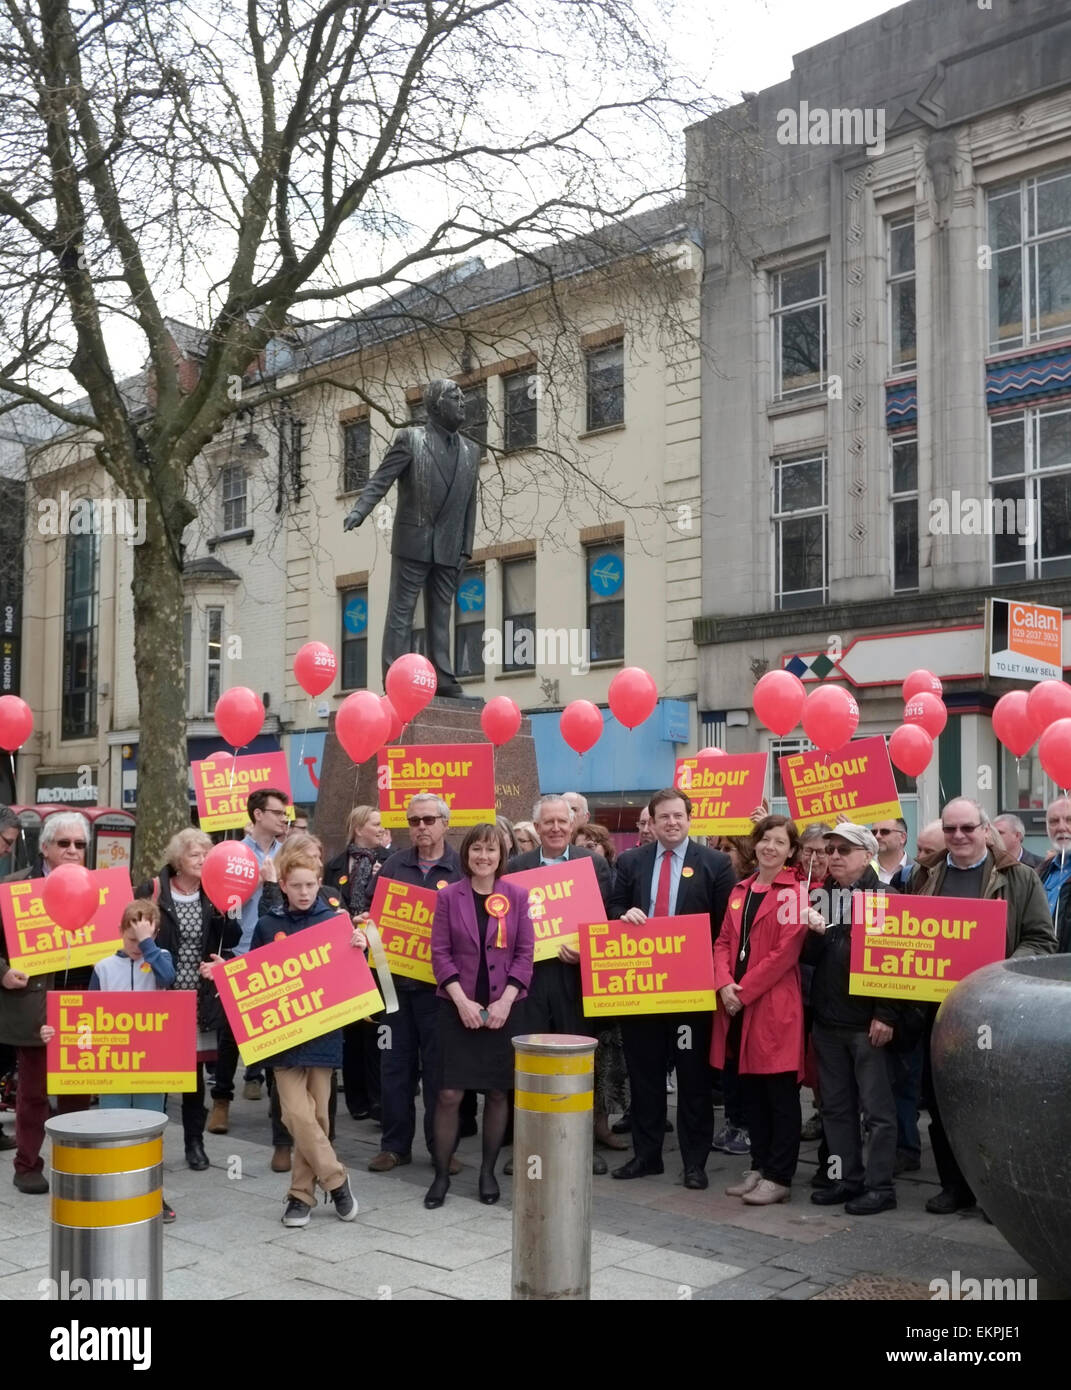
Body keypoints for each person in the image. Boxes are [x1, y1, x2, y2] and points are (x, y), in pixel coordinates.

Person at [903, 797, 1056, 1214]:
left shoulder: (1019, 878)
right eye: (950, 829)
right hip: (938, 1012)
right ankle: (954, 1186)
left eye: (967, 828)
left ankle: (995, 1195)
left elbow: (1041, 940)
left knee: (991, 1106)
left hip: (992, 1010)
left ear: (986, 830)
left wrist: (998, 972)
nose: (958, 837)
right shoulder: (923, 874)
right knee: (941, 1104)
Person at [226, 840, 365, 1227]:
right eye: (296, 885)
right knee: (295, 1114)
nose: (304, 892)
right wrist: (227, 970)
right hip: (282, 1035)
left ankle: (300, 1196)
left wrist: (362, 946)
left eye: (310, 885)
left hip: (323, 1034)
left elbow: (355, 975)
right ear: (282, 884)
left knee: (319, 1116)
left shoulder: (335, 921)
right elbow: (253, 974)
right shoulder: (269, 925)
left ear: (320, 883)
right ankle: (337, 1180)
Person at [609, 789, 735, 1188]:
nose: (671, 823)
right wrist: (621, 915)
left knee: (692, 1078)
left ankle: (694, 1163)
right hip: (642, 989)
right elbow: (610, 908)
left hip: (690, 993)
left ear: (689, 818)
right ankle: (646, 1157)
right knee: (644, 1077)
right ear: (651, 821)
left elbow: (724, 929)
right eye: (663, 817)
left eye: (678, 815)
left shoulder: (715, 864)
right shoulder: (630, 861)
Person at [803, 823, 921, 1215]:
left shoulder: (887, 896)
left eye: (843, 850)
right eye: (830, 849)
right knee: (836, 1109)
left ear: (867, 854)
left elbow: (898, 960)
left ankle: (880, 1187)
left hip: (867, 1024)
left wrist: (886, 1015)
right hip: (829, 1022)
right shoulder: (822, 895)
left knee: (878, 1113)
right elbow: (809, 960)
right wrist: (811, 932)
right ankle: (846, 1179)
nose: (833, 856)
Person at [42, 900, 178, 1222]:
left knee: (149, 1127)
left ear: (155, 934)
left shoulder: (161, 959)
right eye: (131, 940)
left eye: (143, 939)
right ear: (119, 933)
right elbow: (85, 1016)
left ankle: (152, 1193)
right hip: (113, 1064)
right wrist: (58, 1033)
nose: (136, 947)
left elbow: (169, 977)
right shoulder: (103, 967)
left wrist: (149, 945)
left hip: (152, 1064)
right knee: (114, 1124)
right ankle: (116, 1190)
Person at [343, 377, 479, 697]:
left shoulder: (471, 451)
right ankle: (395, 678)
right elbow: (382, 480)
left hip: (449, 544)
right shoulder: (410, 439)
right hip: (414, 540)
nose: (462, 402)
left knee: (442, 613)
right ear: (434, 405)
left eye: (462, 396)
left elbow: (470, 504)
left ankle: (443, 676)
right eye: (453, 396)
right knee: (401, 613)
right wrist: (360, 511)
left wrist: (466, 549)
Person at [426, 823, 534, 1209]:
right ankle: (440, 1175)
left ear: (501, 856)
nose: (483, 857)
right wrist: (462, 1002)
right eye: (476, 850)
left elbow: (524, 955)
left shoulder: (517, 896)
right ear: (466, 854)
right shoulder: (448, 897)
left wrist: (505, 1001)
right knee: (449, 1093)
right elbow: (439, 953)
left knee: (497, 1092)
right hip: (458, 1007)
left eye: (491, 850)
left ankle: (488, 1171)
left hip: (505, 1010)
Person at [506, 794, 612, 1174]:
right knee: (530, 1063)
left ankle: (581, 1147)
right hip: (530, 982)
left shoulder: (592, 864)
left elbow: (607, 917)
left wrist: (588, 950)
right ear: (536, 828)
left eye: (561, 822)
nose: (554, 828)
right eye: (547, 822)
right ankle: (528, 1149)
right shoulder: (516, 867)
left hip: (574, 979)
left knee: (577, 1064)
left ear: (572, 826)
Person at [363, 794, 464, 1174]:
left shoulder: (459, 868)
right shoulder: (392, 865)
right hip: (394, 989)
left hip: (442, 992)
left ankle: (442, 1148)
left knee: (440, 1072)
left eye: (428, 819)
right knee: (394, 1067)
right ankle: (394, 1146)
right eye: (414, 820)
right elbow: (374, 916)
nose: (421, 826)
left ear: (445, 823)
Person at [714, 816, 813, 1205]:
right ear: (755, 845)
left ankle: (779, 1175)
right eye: (765, 839)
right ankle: (758, 1165)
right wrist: (723, 983)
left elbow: (784, 955)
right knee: (750, 1089)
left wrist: (743, 991)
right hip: (735, 1004)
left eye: (780, 842)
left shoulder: (795, 894)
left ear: (791, 852)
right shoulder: (740, 890)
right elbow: (723, 940)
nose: (770, 847)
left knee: (779, 1093)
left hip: (772, 1006)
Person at [134, 828, 240, 1172]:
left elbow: (231, 937)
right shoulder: (153, 889)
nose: (203, 861)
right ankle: (151, 1145)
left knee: (193, 1077)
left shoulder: (214, 893)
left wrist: (231, 909)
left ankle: (195, 1143)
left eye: (206, 855)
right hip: (160, 996)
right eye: (196, 855)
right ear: (178, 859)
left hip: (199, 999)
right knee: (159, 1076)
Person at [0, 812, 93, 1193]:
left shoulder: (101, 887)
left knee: (78, 1091)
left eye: (80, 844)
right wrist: (2, 972)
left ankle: (72, 1165)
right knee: (34, 1091)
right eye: (64, 843)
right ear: (45, 847)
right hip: (35, 1004)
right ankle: (27, 1165)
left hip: (85, 1004)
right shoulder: (14, 888)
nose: (72, 850)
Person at [209, 786, 289, 1128]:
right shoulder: (233, 853)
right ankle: (221, 1102)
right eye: (277, 812)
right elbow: (219, 900)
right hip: (240, 951)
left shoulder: (289, 853)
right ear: (258, 815)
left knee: (276, 1034)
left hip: (279, 953)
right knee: (230, 1035)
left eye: (285, 813)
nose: (284, 818)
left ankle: (280, 1108)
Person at [325, 806, 389, 1124]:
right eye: (376, 823)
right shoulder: (334, 865)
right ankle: (356, 1099)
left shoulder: (391, 862)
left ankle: (379, 1100)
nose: (382, 827)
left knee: (376, 1028)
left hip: (377, 955)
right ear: (358, 827)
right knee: (350, 1029)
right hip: (344, 955)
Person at [871, 818, 910, 885]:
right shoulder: (862, 869)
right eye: (874, 832)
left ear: (902, 837)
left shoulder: (920, 872)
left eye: (885, 831)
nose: (877, 836)